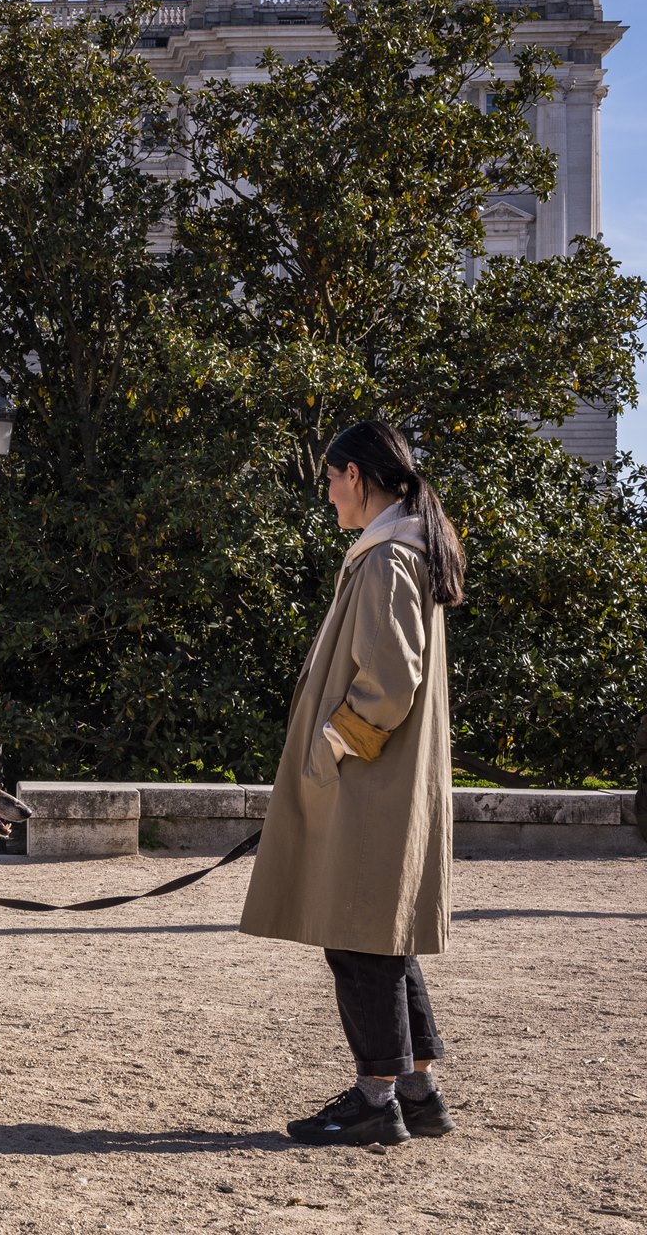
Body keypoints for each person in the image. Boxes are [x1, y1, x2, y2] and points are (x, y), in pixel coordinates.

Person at [239, 420, 465, 1147]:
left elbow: (389, 684)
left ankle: (376, 1101)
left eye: (330, 478)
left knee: (359, 936)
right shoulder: (399, 552)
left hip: (370, 783)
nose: (327, 493)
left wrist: (332, 746)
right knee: (381, 938)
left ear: (357, 477)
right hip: (381, 783)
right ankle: (418, 1091)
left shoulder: (388, 560)